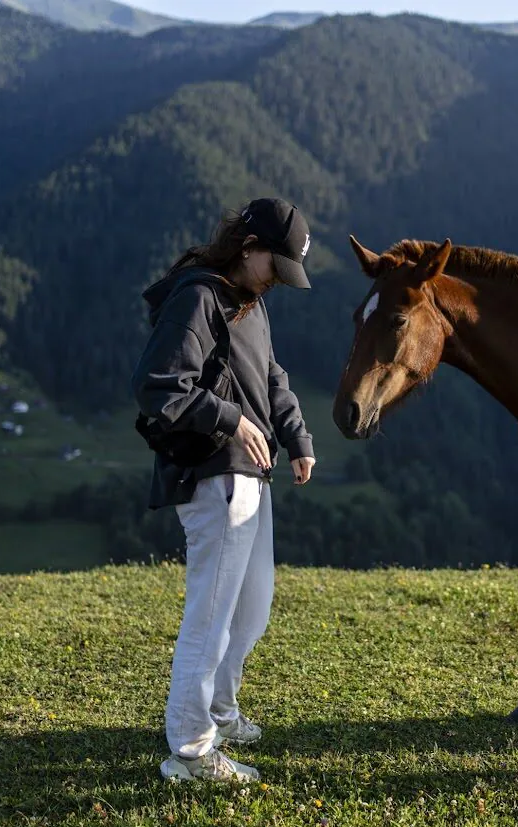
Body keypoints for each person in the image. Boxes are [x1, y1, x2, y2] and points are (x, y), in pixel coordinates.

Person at [132, 198, 316, 782]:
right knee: (211, 618)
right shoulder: (198, 297)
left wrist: (297, 437)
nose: (277, 282)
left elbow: (271, 378)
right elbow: (159, 387)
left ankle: (220, 709)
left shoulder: (249, 305)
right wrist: (232, 419)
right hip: (214, 474)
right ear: (247, 246)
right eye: (275, 266)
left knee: (251, 610)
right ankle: (190, 751)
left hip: (250, 477)